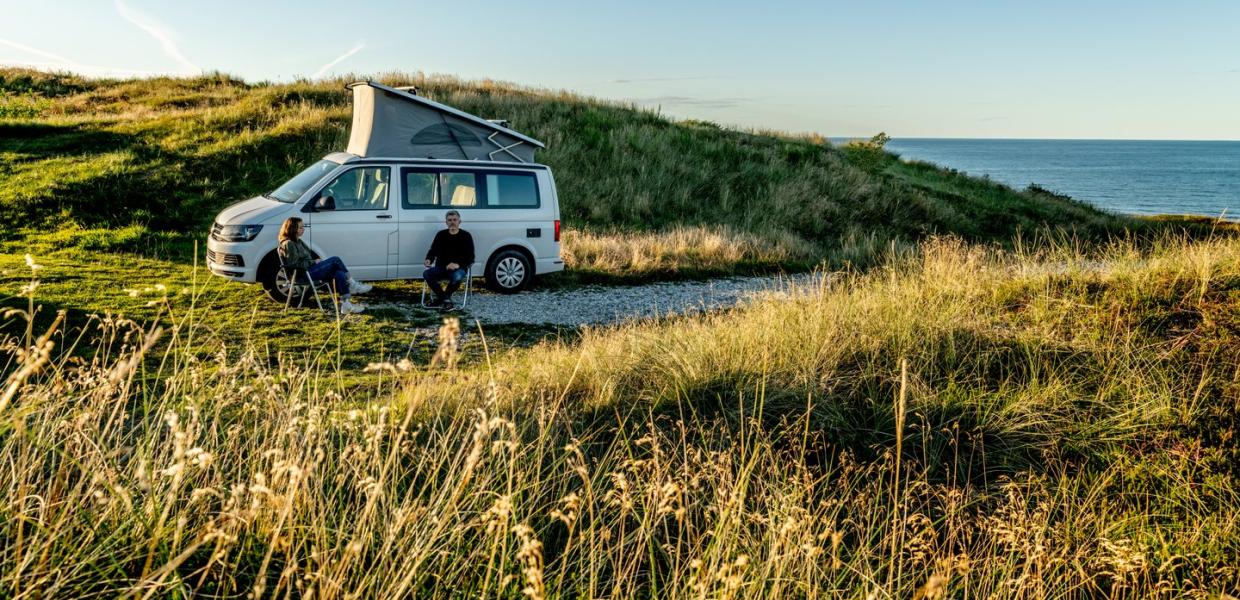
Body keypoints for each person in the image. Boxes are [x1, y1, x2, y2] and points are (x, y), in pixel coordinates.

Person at [277, 217, 372, 314]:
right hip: (302, 275)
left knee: (339, 273)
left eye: (303, 227)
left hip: (310, 271)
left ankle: (346, 305)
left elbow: (306, 258)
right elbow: (294, 264)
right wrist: (314, 262)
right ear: (292, 228)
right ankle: (353, 284)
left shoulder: (299, 241)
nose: (303, 229)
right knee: (335, 260)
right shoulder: (289, 244)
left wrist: (315, 262)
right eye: (300, 227)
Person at [423, 210, 475, 310]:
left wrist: (458, 264)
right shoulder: (441, 235)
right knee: (427, 274)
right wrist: (428, 259)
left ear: (460, 221)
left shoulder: (466, 236)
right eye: (449, 220)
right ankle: (445, 299)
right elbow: (433, 250)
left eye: (455, 220)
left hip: (458, 268)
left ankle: (440, 300)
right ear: (446, 222)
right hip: (442, 267)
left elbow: (471, 257)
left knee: (457, 277)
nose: (452, 222)